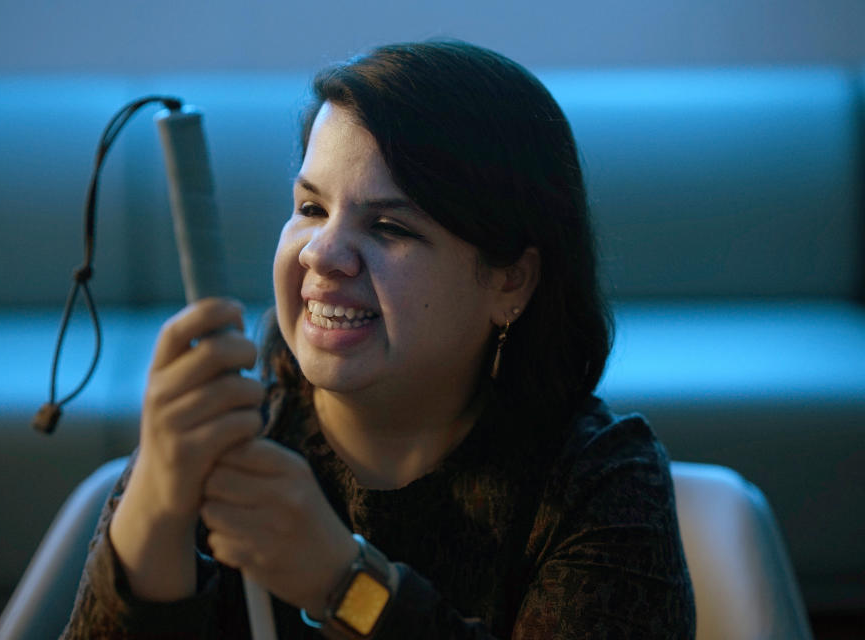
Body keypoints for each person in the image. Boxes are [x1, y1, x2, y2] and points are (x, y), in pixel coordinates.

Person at [61, 41, 695, 638]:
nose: (324, 254)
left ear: (510, 280)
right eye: (311, 209)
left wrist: (345, 585)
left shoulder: (598, 483)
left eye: (389, 226)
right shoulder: (221, 431)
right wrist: (154, 508)